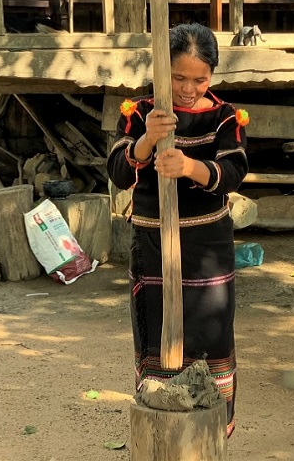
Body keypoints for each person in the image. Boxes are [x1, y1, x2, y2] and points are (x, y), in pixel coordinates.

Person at [107, 22, 249, 435]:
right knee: (158, 344)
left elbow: (233, 171)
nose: (189, 88)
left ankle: (209, 433)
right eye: (179, 77)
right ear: (161, 72)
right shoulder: (138, 114)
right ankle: (162, 431)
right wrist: (148, 140)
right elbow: (118, 171)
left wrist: (188, 167)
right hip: (152, 244)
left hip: (207, 248)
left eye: (200, 79)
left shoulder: (224, 118)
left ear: (213, 75)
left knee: (209, 336)